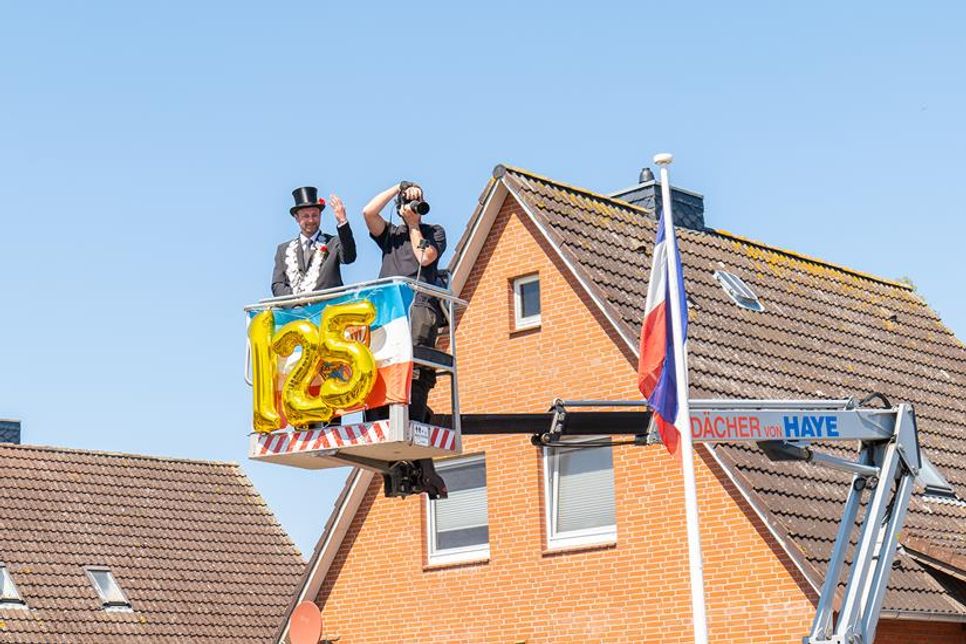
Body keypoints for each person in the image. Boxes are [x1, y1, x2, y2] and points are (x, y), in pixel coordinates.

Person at [362, 180, 448, 499]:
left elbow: (425, 259)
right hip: (388, 312)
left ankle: (414, 422)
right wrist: (396, 188)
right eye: (409, 203)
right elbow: (368, 212)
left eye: (418, 202)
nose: (414, 207)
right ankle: (388, 423)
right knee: (382, 370)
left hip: (419, 309)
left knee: (416, 374)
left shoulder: (433, 231)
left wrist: (415, 225)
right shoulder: (390, 234)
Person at [272, 186, 356, 296]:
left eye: (314, 215)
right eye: (306, 216)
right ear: (297, 218)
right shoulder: (283, 250)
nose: (311, 220)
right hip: (296, 311)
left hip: (329, 309)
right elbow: (277, 285)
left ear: (320, 215)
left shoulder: (333, 242)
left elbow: (349, 257)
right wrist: (297, 303)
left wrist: (342, 222)